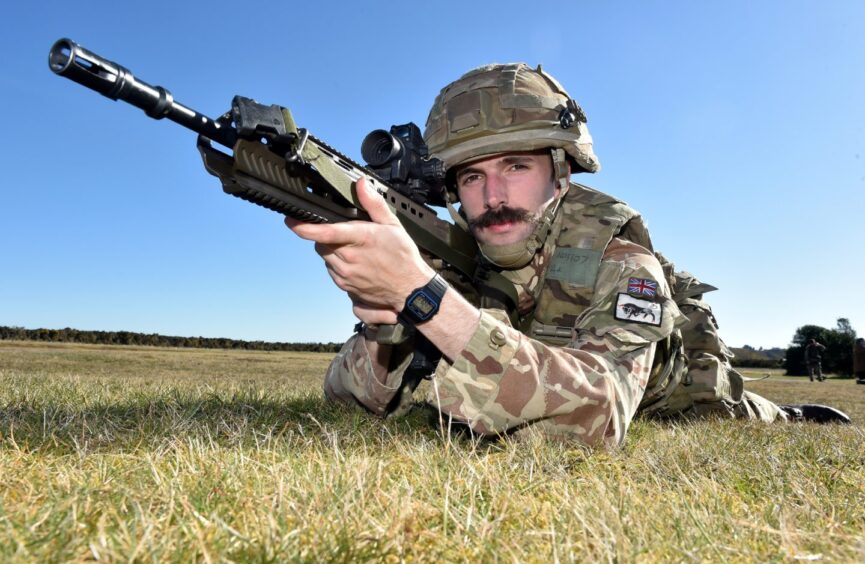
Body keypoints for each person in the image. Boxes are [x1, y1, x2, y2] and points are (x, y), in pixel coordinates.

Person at [286, 63, 849, 446]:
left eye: (516, 166)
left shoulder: (623, 261)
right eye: (473, 176)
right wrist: (386, 317)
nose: (494, 196)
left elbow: (600, 416)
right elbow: (346, 398)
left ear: (560, 173)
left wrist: (424, 299)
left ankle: (789, 413)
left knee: (734, 409)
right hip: (538, 354)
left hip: (677, 391)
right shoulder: (455, 255)